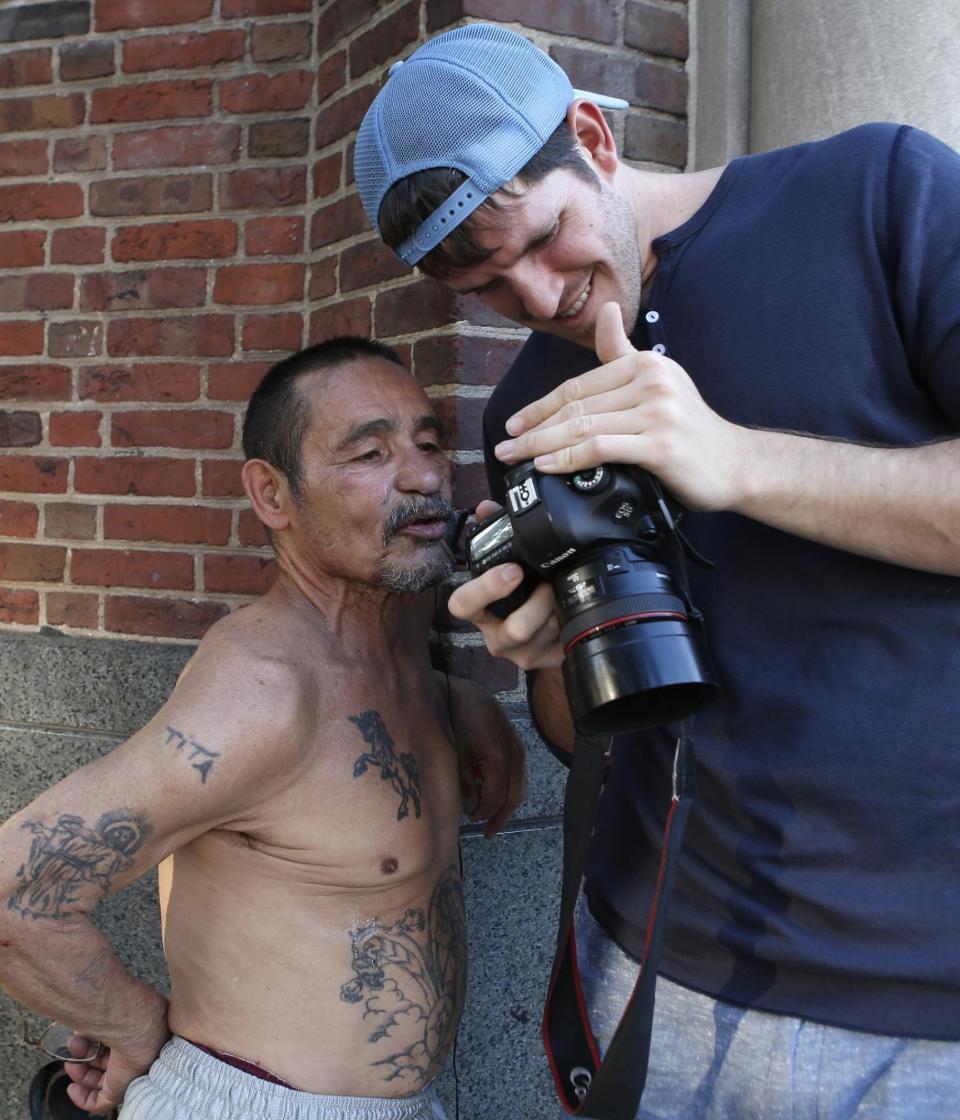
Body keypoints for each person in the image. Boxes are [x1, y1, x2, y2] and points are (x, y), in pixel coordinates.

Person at [353, 22, 960, 1120]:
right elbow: (592, 734)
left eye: (544, 238)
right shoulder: (532, 403)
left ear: (590, 135)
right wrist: (543, 654)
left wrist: (735, 461)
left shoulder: (875, 197)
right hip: (643, 958)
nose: (538, 300)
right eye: (488, 286)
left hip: (914, 994)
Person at [0, 337, 526, 1120]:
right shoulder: (262, 691)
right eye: (369, 453)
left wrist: (462, 704)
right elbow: (15, 895)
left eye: (427, 443)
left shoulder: (392, 642)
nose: (421, 477)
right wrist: (137, 1031)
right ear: (274, 495)